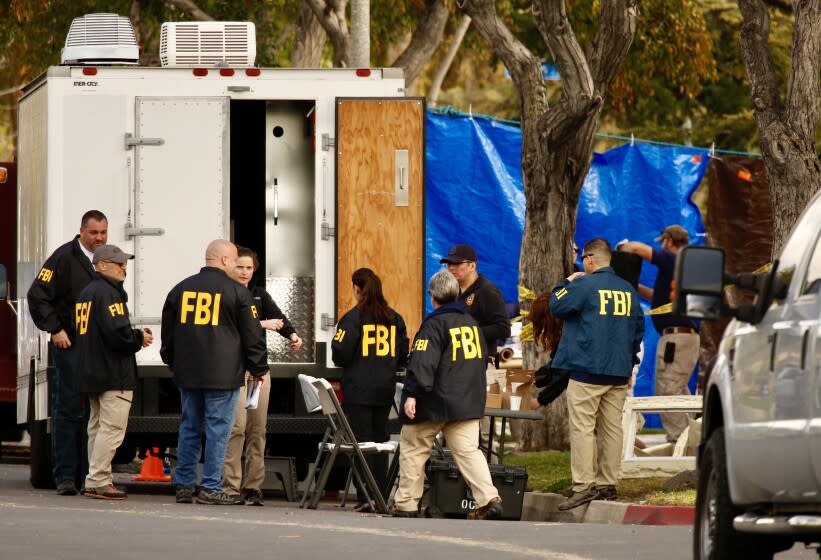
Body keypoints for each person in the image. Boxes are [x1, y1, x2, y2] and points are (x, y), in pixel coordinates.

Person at [160, 240, 269, 506]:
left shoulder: (180, 290)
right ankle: (210, 487)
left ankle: (184, 486)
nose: (236, 266)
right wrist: (259, 368)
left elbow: (168, 334)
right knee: (219, 430)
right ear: (223, 260)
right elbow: (251, 336)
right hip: (223, 374)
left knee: (189, 427)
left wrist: (172, 361)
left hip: (188, 372)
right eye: (234, 261)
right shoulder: (237, 293)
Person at [392, 270, 502, 520]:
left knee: (414, 446)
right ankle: (488, 498)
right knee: (468, 451)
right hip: (467, 402)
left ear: (433, 297)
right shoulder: (472, 324)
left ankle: (407, 504)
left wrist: (412, 394)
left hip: (434, 401)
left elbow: (423, 363)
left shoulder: (434, 324)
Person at [550, 238, 644, 510]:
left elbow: (557, 306)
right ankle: (607, 485)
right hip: (617, 372)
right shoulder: (628, 289)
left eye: (583, 260)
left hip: (587, 370)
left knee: (582, 429)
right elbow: (637, 331)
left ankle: (583, 486)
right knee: (612, 429)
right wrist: (630, 363)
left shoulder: (584, 285)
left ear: (589, 259)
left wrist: (566, 281)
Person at [26, 209, 108, 495]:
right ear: (82, 231)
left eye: (103, 233)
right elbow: (37, 295)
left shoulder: (107, 259)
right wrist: (55, 329)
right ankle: (65, 477)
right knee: (67, 411)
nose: (99, 238)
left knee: (94, 416)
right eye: (94, 233)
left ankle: (89, 476)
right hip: (70, 345)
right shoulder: (64, 257)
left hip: (97, 350)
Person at [222, 246, 303, 506]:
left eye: (249, 268)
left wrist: (292, 335)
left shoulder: (259, 295)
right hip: (232, 371)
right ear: (229, 267)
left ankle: (253, 487)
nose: (244, 272)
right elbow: (228, 327)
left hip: (259, 372)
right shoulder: (224, 294)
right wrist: (262, 325)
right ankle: (230, 486)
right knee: (236, 429)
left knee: (257, 430)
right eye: (240, 267)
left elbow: (279, 317)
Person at [74, 245, 153, 500]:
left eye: (124, 263)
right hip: (113, 374)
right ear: (102, 265)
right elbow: (118, 335)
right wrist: (139, 337)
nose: (124, 267)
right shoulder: (109, 293)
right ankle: (99, 481)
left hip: (92, 372)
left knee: (96, 428)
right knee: (111, 429)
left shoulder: (86, 292)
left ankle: (94, 479)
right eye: (118, 263)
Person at [331, 268, 409, 512]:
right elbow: (402, 355)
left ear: (356, 289)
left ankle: (366, 495)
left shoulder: (353, 318)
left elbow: (340, 355)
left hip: (358, 389)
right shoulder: (395, 318)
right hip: (384, 390)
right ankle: (381, 494)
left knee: (362, 444)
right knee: (380, 442)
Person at [618, 225, 699, 443]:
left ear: (669, 241)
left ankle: (679, 442)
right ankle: (690, 440)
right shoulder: (682, 265)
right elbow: (659, 297)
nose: (661, 246)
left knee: (668, 390)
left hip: (677, 337)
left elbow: (637, 249)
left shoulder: (673, 258)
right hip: (683, 337)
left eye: (663, 242)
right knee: (678, 390)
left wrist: (622, 248)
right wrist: (635, 286)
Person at [440, 244, 510, 361]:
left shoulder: (487, 291)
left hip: (483, 363)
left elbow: (503, 329)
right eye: (449, 264)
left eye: (457, 264)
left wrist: (466, 334)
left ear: (472, 266)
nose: (451, 268)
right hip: (458, 362)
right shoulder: (453, 292)